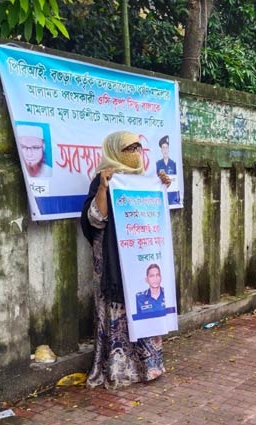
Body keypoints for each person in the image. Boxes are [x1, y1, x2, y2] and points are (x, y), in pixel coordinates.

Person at [80, 130, 172, 389]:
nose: (135, 153)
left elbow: (151, 217)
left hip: (138, 256)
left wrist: (161, 186)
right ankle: (118, 369)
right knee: (116, 311)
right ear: (114, 151)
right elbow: (95, 219)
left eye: (137, 148)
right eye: (129, 149)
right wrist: (103, 187)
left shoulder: (144, 180)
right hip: (112, 259)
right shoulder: (104, 179)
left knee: (144, 303)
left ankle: (148, 366)